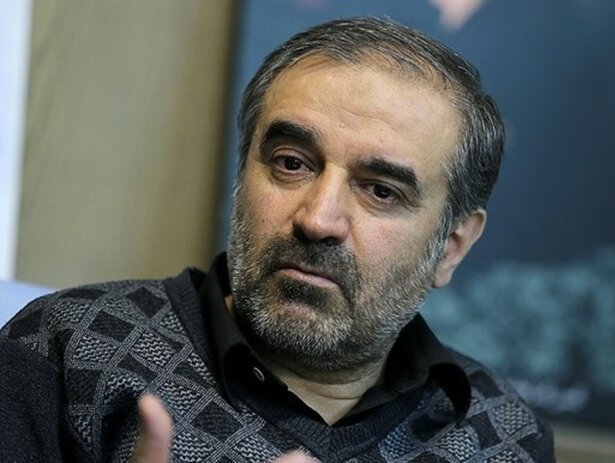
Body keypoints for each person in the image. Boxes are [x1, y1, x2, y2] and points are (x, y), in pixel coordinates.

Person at [0, 17, 555, 462]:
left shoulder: (503, 435)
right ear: (242, 175)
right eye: (291, 163)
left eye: (381, 191)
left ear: (452, 246)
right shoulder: (65, 349)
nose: (318, 219)